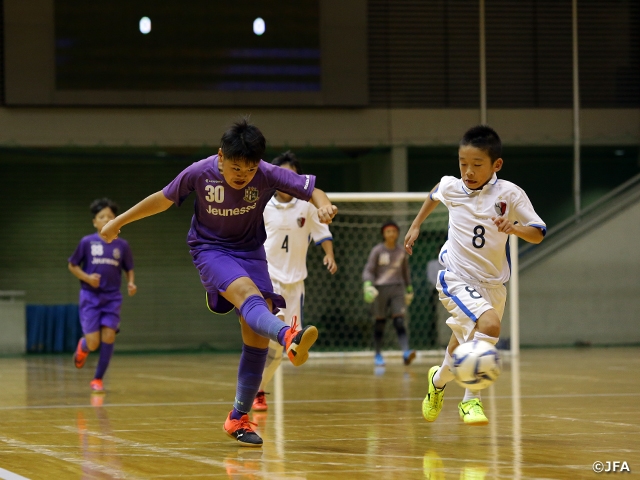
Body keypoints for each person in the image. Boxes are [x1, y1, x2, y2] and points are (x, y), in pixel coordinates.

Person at [99, 119, 337, 447]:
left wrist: (323, 206)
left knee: (254, 339)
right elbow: (162, 199)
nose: (242, 175)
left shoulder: (268, 173)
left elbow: (312, 190)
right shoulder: (200, 172)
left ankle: (238, 416)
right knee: (249, 296)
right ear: (220, 156)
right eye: (235, 167)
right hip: (210, 250)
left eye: (249, 169)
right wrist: (118, 221)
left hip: (250, 253)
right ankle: (288, 334)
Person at [404, 125, 546, 425]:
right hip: (456, 277)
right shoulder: (452, 186)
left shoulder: (510, 194)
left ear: (496, 165)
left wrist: (514, 227)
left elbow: (538, 233)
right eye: (462, 163)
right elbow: (434, 194)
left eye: (476, 165)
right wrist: (416, 224)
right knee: (489, 325)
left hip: (493, 285)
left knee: (465, 340)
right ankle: (471, 400)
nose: (468, 171)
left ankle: (438, 381)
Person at [253, 151, 338, 412]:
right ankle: (285, 348)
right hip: (269, 281)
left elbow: (322, 233)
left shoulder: (307, 206)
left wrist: (329, 256)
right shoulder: (264, 206)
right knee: (270, 340)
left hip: (295, 284)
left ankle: (259, 389)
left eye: (293, 176)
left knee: (279, 352)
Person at [68, 198, 137, 392]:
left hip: (112, 297)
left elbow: (129, 268)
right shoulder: (87, 242)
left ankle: (97, 379)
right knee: (93, 342)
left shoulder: (122, 245)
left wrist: (131, 282)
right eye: (102, 216)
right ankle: (83, 345)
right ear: (95, 222)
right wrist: (87, 278)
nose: (106, 219)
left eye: (110, 216)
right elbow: (72, 265)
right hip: (90, 296)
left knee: (108, 336)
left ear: (116, 220)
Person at [362, 220, 416, 367]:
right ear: (383, 234)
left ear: (398, 233)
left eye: (394, 231)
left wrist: (409, 288)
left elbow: (405, 271)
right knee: (380, 322)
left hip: (397, 289)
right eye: (388, 231)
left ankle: (406, 352)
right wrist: (368, 284)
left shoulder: (401, 251)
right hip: (380, 289)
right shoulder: (377, 251)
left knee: (399, 321)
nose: (391, 234)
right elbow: (369, 269)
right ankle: (378, 354)